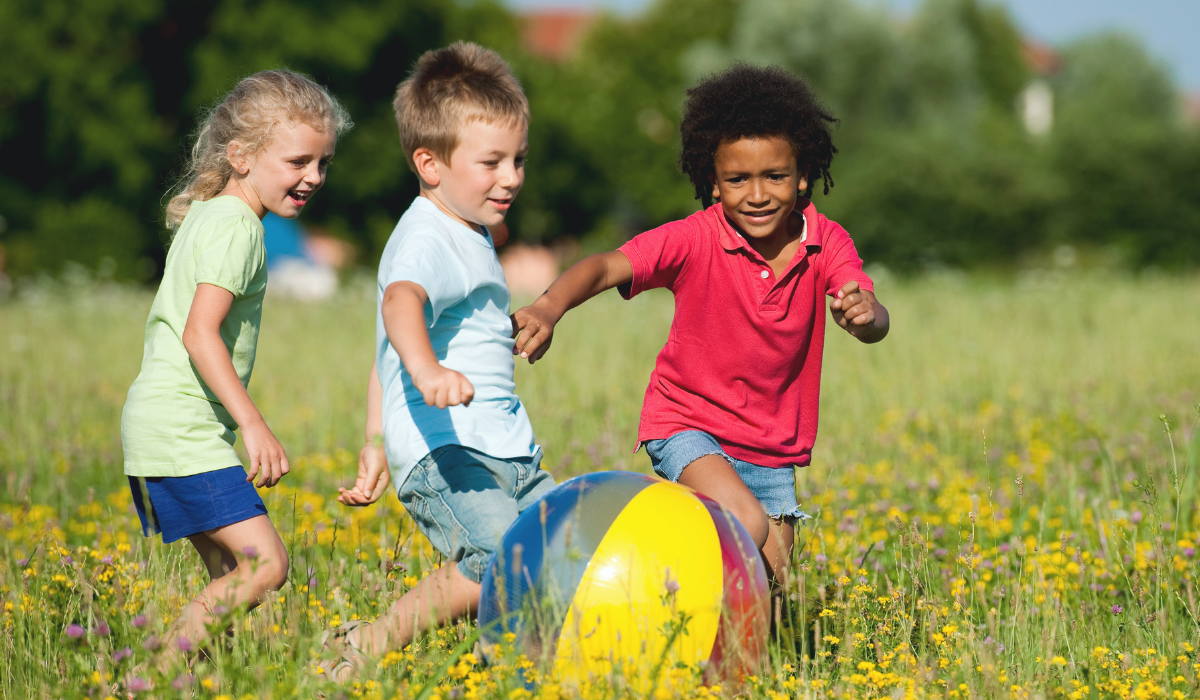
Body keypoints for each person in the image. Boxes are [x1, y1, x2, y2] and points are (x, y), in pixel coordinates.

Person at [511, 64, 890, 581]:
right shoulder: (693, 239)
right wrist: (548, 307)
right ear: (713, 184)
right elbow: (605, 266)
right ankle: (646, 573)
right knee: (745, 522)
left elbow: (869, 311)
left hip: (773, 449)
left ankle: (716, 646)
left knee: (769, 591)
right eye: (738, 179)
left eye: (775, 176)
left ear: (802, 176)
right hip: (688, 425)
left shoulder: (827, 243)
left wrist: (865, 315)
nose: (757, 194)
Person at [329, 42, 554, 676]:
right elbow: (399, 306)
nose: (511, 177)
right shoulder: (425, 238)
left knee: (557, 546)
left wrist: (373, 439)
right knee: (505, 559)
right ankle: (386, 646)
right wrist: (428, 372)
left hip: (505, 447)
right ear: (430, 163)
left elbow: (384, 350)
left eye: (518, 160)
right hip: (448, 451)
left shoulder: (468, 228)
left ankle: (530, 662)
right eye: (492, 162)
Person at [121, 70, 351, 659]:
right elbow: (201, 334)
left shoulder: (212, 214)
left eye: (323, 163)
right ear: (240, 156)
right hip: (183, 428)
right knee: (265, 565)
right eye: (298, 160)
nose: (314, 178)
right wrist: (252, 422)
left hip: (161, 424)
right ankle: (155, 677)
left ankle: (200, 677)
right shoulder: (238, 229)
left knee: (230, 571)